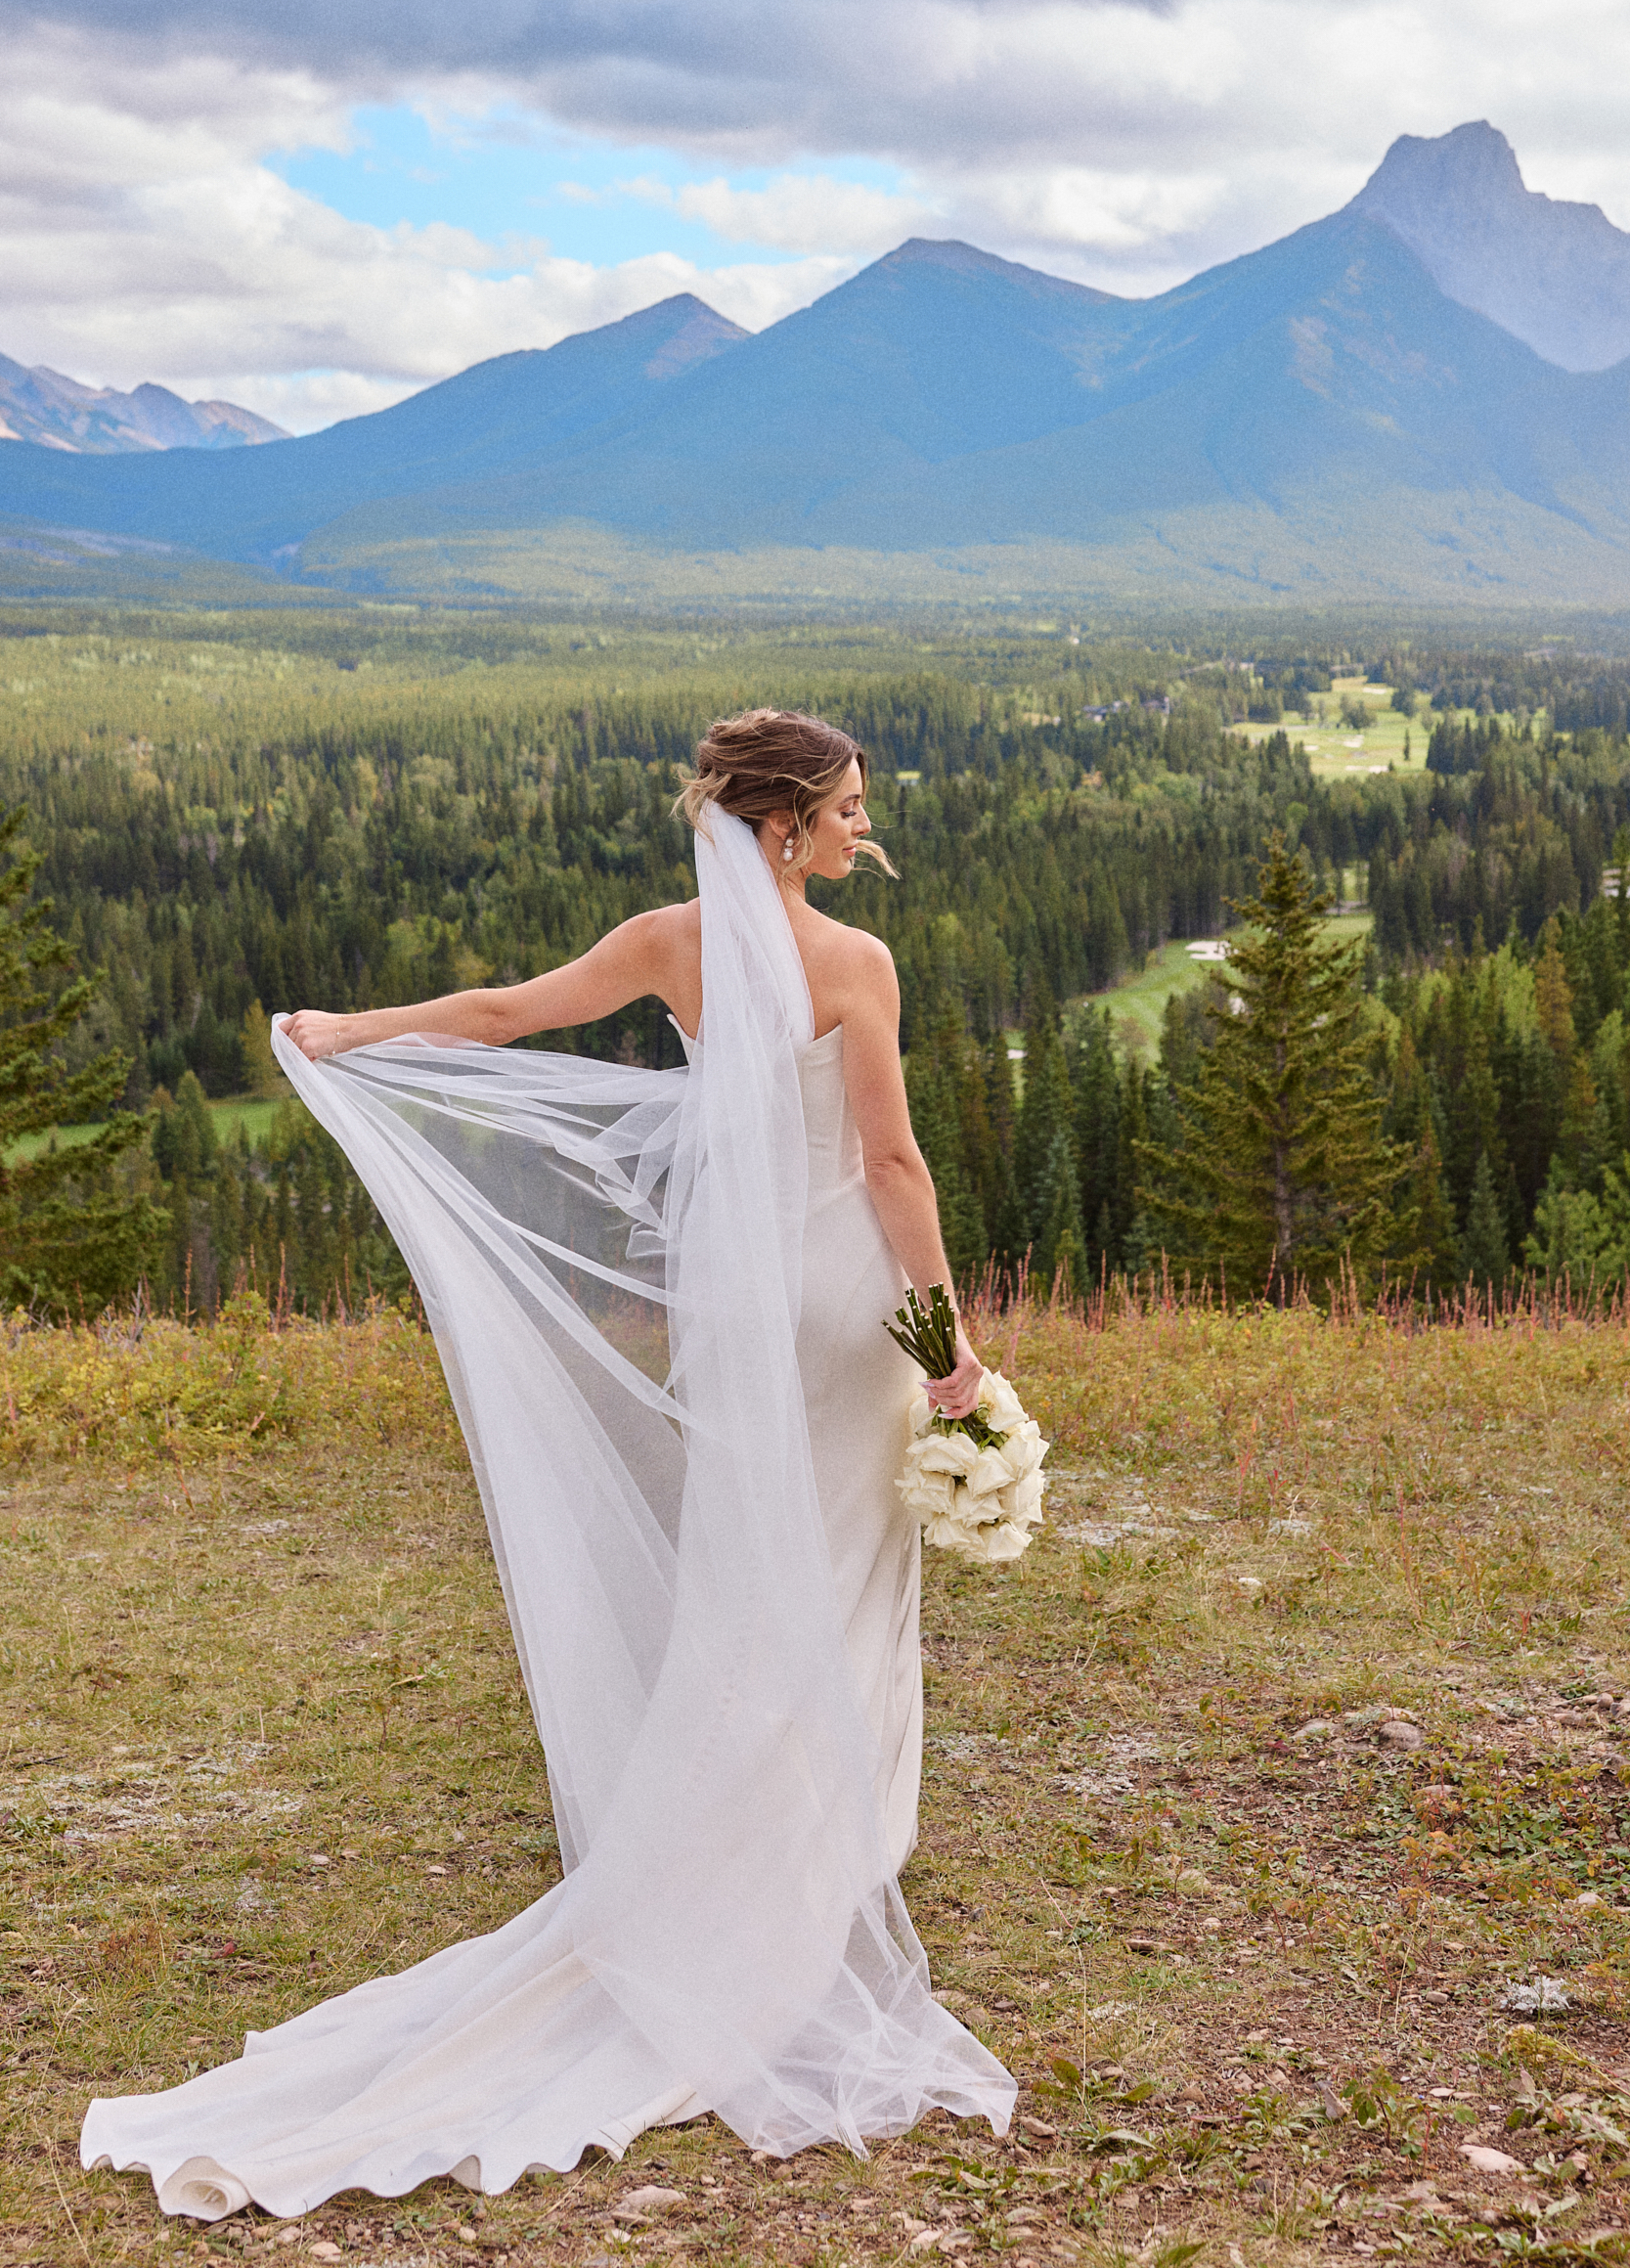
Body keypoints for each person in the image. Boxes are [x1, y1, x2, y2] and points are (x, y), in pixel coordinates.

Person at [81, 708, 1015, 2223]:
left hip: (730, 1300)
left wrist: (354, 1031)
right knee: (837, 1583)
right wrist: (948, 1342)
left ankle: (731, 1861)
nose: (861, 827)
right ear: (782, 828)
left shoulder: (668, 940)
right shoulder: (856, 967)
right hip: (840, 1308)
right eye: (845, 809)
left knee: (746, 1581)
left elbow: (510, 1015)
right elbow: (893, 1166)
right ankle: (784, 1885)